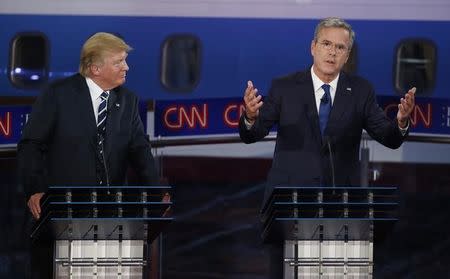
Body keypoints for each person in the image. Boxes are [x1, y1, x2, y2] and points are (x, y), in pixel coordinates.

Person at [239, 17, 415, 278]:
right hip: (288, 208)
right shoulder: (285, 87)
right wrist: (250, 117)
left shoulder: (360, 91)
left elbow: (388, 136)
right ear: (313, 47)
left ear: (347, 55)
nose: (332, 52)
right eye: (326, 43)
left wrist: (401, 121)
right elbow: (254, 134)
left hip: (340, 210)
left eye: (340, 47)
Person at [17, 32, 161, 278]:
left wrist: (156, 195)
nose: (126, 67)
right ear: (95, 68)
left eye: (125, 60)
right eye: (119, 62)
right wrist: (35, 190)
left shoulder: (127, 101)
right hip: (63, 215)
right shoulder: (58, 95)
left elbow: (141, 151)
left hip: (111, 220)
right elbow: (31, 144)